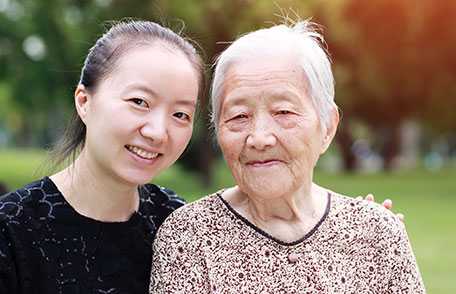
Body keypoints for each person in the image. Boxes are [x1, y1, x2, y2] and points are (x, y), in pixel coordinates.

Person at [150, 21, 425, 293]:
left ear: (327, 127)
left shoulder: (376, 233)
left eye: (283, 112)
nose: (259, 138)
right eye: (238, 116)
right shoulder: (188, 237)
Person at [0, 20, 203, 294]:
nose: (158, 132)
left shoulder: (180, 225)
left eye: (180, 114)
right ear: (84, 101)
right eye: (139, 102)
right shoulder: (11, 229)